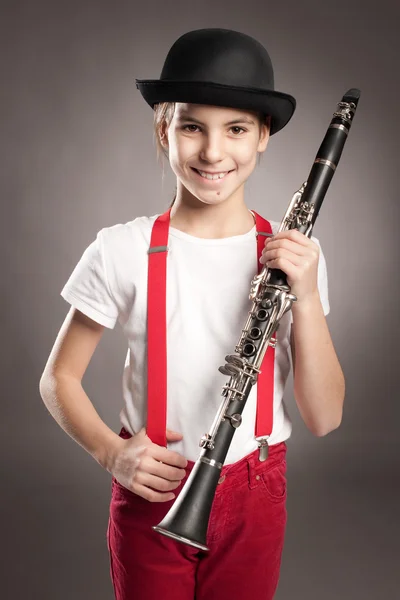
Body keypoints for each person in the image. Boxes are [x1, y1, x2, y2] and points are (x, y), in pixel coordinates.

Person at [39, 28, 345, 600]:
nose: (212, 151)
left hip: (257, 488)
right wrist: (112, 453)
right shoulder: (121, 249)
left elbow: (325, 417)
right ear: (164, 128)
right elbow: (57, 378)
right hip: (153, 482)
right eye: (191, 126)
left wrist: (303, 294)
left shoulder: (295, 257)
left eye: (236, 129)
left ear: (263, 139)